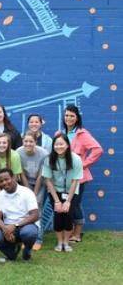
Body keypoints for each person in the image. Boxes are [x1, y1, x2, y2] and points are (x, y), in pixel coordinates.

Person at [61, 104, 102, 243]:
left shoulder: (82, 134)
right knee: (68, 203)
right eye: (66, 115)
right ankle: (70, 231)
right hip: (64, 177)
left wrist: (83, 165)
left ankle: (78, 233)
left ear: (77, 117)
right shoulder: (60, 134)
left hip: (79, 177)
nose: (69, 118)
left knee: (75, 204)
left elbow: (98, 150)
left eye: (72, 115)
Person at [42, 134, 83, 252]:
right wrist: (57, 201)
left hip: (71, 191)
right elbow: (48, 181)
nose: (59, 146)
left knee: (68, 215)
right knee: (58, 215)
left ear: (67, 145)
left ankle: (66, 242)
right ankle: (59, 242)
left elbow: (75, 181)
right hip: (55, 191)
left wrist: (68, 201)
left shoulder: (75, 159)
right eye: (56, 144)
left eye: (61, 144)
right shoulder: (49, 159)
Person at [0, 168, 38, 261]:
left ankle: (27, 251)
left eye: (7, 179)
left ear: (14, 177)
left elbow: (35, 215)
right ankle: (11, 253)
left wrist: (15, 225)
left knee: (29, 233)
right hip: (7, 226)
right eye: (1, 181)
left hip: (25, 225)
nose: (4, 183)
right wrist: (4, 229)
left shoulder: (27, 192)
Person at [16, 132, 49, 250]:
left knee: (37, 208)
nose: (28, 144)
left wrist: (34, 194)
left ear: (35, 142)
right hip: (26, 182)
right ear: (22, 141)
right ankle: (26, 238)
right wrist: (28, 191)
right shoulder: (18, 152)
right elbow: (21, 173)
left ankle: (38, 239)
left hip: (39, 183)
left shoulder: (43, 154)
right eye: (26, 141)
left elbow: (41, 175)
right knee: (25, 209)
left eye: (31, 141)